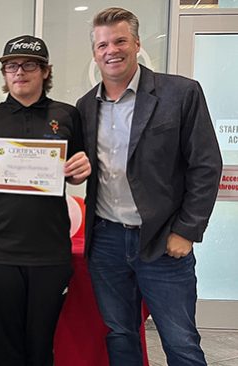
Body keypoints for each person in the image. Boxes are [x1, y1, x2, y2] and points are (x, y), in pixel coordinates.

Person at [77, 7, 222, 366]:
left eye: (120, 40)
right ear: (94, 52)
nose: (112, 50)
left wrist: (186, 231)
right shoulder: (84, 107)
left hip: (162, 240)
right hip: (107, 241)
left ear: (137, 44)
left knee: (180, 341)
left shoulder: (180, 94)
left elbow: (205, 166)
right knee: (121, 334)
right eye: (103, 44)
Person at [0, 35, 90, 366]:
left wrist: (81, 169)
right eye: (11, 66)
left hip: (49, 251)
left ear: (45, 71)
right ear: (4, 73)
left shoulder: (67, 116)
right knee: (4, 346)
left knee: (40, 346)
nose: (19, 72)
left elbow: (76, 172)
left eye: (29, 65)